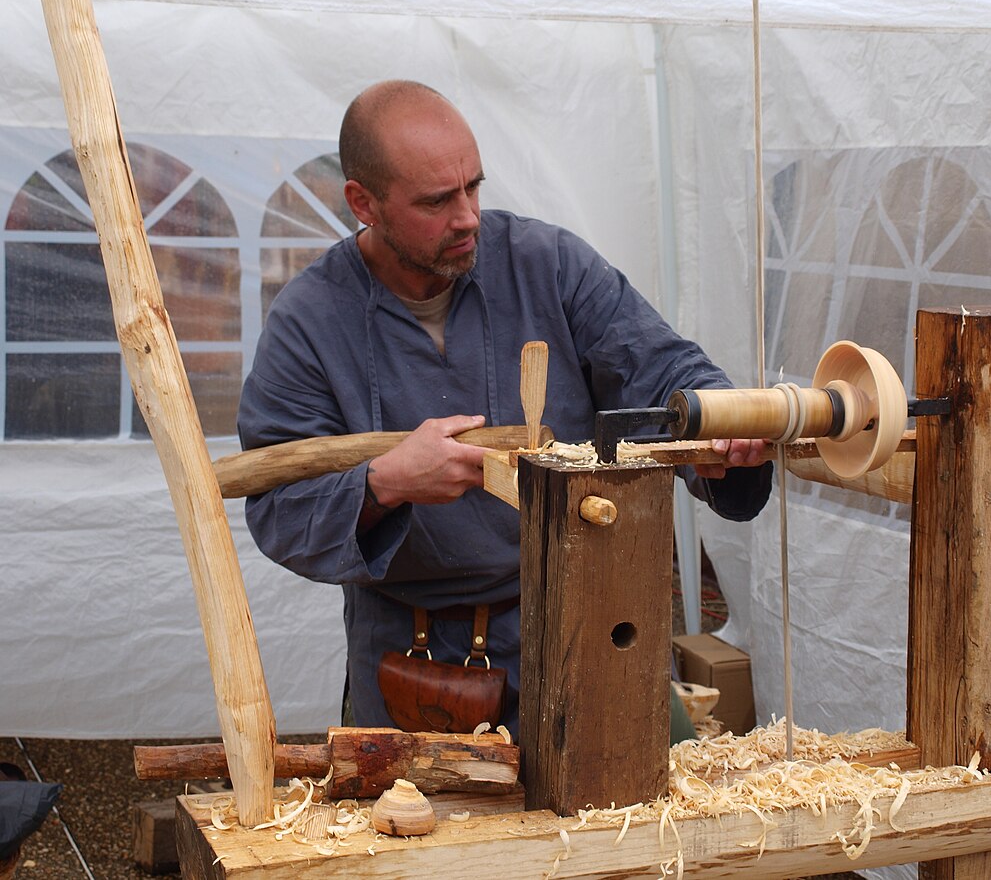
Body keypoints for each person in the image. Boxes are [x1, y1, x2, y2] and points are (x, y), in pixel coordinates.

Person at [238, 80, 772, 737]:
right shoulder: (309, 320)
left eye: (473, 188)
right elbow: (278, 505)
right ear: (363, 203)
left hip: (589, 624)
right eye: (436, 201)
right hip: (418, 662)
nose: (466, 217)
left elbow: (660, 367)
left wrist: (719, 420)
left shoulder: (546, 264)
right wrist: (386, 484)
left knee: (654, 829)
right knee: (430, 834)